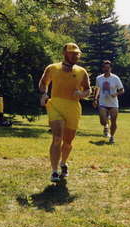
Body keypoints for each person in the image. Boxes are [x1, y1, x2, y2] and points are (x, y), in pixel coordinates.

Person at [38, 43, 91, 182]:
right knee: (57, 138)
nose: (75, 55)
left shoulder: (81, 71)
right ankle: (54, 171)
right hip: (55, 105)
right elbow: (43, 83)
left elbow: (88, 89)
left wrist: (82, 93)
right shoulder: (52, 68)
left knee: (68, 142)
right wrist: (44, 94)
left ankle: (63, 163)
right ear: (64, 53)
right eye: (72, 53)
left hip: (73, 107)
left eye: (77, 53)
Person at [93, 60, 124, 144]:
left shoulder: (115, 78)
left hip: (113, 103)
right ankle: (106, 125)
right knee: (102, 121)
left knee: (114, 121)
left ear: (111, 68)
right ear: (103, 68)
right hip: (102, 103)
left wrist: (116, 94)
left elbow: (122, 90)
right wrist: (95, 99)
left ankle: (112, 137)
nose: (106, 69)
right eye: (105, 67)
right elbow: (97, 89)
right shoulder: (99, 78)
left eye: (108, 68)